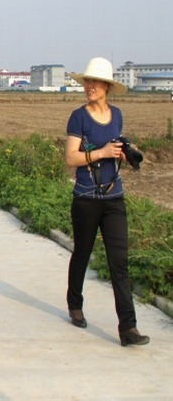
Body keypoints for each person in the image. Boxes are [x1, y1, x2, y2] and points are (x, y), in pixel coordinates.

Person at [65, 57, 149, 347]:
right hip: (86, 198)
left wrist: (124, 152)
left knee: (119, 262)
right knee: (82, 253)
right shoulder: (79, 117)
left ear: (107, 87)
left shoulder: (117, 116)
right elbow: (71, 157)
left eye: (95, 82)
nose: (89, 86)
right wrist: (101, 153)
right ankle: (75, 303)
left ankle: (128, 328)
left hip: (114, 198)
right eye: (87, 81)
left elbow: (116, 145)